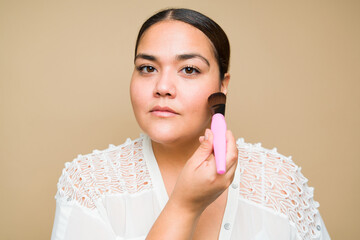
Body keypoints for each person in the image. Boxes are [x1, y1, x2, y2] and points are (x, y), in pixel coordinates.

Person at [51, 8, 331, 240]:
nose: (162, 87)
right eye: (147, 68)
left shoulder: (280, 181)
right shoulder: (89, 183)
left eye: (189, 69)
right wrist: (183, 207)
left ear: (223, 85)